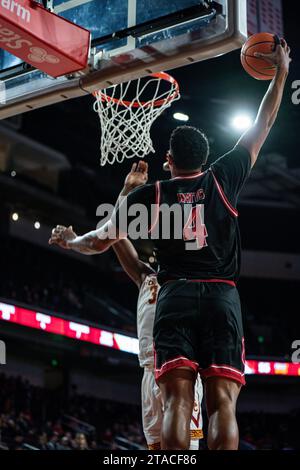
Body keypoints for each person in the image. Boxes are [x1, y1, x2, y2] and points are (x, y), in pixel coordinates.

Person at [49, 40, 291, 450]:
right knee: (222, 403)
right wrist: (282, 71)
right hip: (221, 296)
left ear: (168, 160)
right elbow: (263, 122)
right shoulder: (223, 178)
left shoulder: (151, 196)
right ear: (206, 156)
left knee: (178, 399)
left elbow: (102, 240)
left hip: (175, 295)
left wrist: (73, 241)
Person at [50, 164, 204, 450]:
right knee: (155, 449)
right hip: (148, 371)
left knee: (183, 451)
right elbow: (115, 233)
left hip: (181, 371)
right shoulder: (146, 275)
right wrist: (125, 191)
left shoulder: (191, 278)